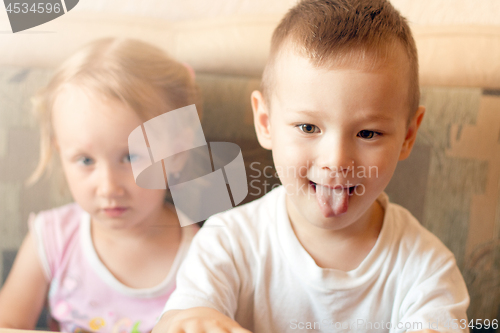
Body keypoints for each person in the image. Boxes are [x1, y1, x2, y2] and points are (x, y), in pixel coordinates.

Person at [153, 0, 470, 332]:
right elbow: (180, 320)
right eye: (308, 128)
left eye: (367, 133)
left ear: (408, 135)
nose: (335, 161)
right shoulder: (227, 243)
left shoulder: (428, 270)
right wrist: (191, 321)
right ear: (265, 122)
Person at [0, 38, 200, 333]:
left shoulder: (203, 254)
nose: (108, 188)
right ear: (60, 154)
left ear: (177, 153)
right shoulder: (53, 237)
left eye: (130, 157)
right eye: (85, 160)